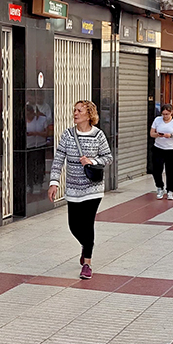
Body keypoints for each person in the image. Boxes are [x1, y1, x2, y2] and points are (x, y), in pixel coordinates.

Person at [48, 100, 113, 280]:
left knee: (87, 224)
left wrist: (92, 161)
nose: (75, 113)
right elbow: (58, 159)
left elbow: (108, 157)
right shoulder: (68, 135)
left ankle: (87, 264)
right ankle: (86, 245)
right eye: (74, 110)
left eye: (79, 111)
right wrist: (54, 182)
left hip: (93, 188)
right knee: (74, 225)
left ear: (89, 114)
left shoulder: (98, 135)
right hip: (73, 187)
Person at [150, 103, 173, 199]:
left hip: (172, 149)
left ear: (171, 113)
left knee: (171, 171)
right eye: (163, 114)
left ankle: (170, 190)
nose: (165, 116)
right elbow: (152, 133)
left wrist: (171, 135)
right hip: (159, 148)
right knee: (156, 170)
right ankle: (159, 187)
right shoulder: (157, 120)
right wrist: (157, 134)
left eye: (167, 114)